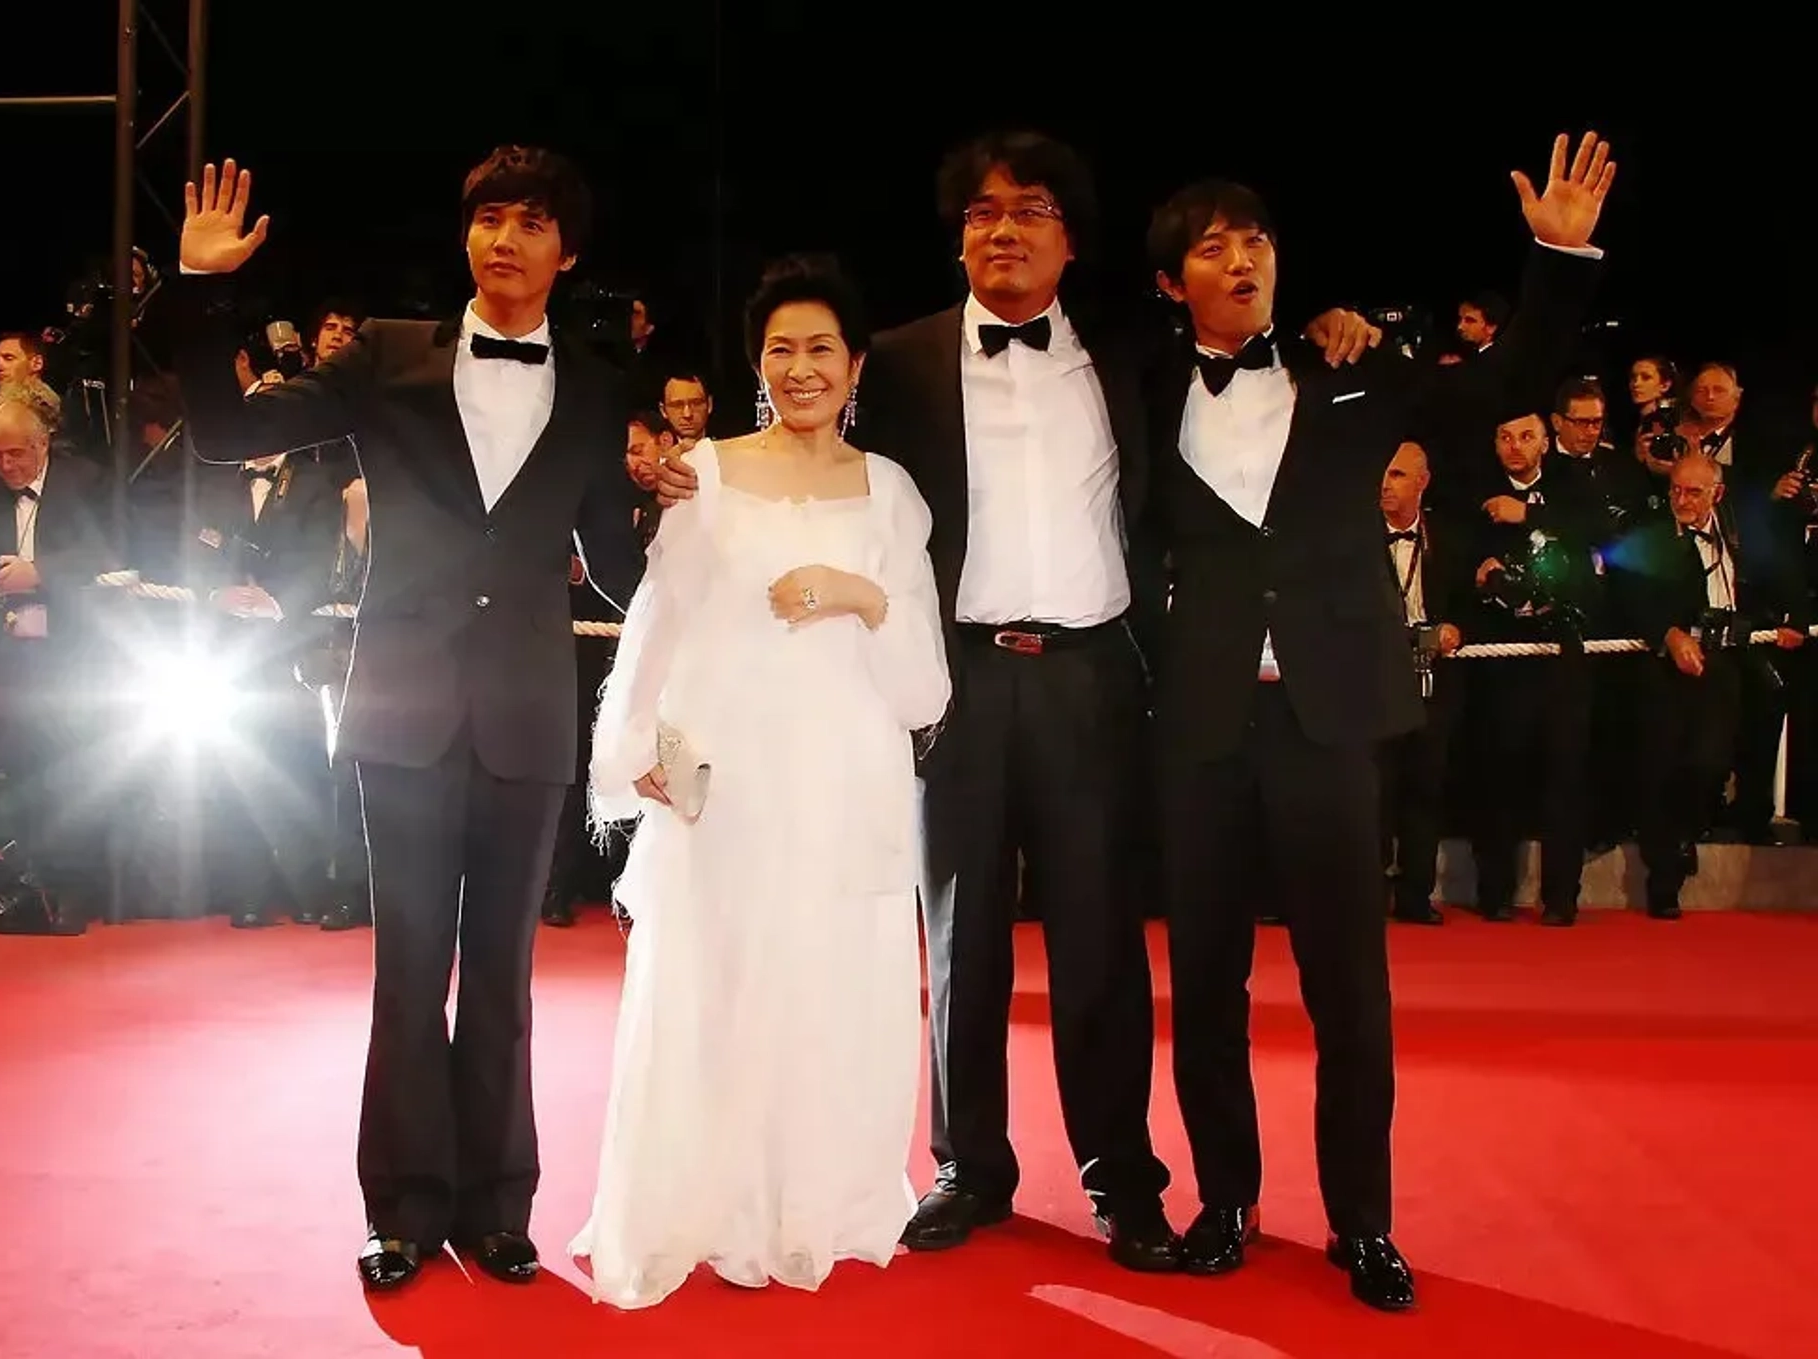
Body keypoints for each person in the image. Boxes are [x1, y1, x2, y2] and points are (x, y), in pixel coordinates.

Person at [654, 129, 1375, 1272]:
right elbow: (811, 453)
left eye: (1030, 210)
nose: (1003, 230)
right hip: (954, 675)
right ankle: (967, 1165)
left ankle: (1119, 1176)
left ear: (1070, 240)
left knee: (1100, 942)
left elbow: (1252, 345)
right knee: (960, 931)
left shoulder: (1137, 357)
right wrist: (707, 484)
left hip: (1097, 676)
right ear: (959, 239)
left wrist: (1338, 325)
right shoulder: (893, 360)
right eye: (982, 213)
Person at [1140, 131, 1612, 1311]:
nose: (1242, 258)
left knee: (1350, 987)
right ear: (1170, 283)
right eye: (1212, 246)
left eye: (1257, 240)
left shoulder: (1355, 372)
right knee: (1205, 987)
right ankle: (1226, 1202)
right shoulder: (1136, 385)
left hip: (1328, 722)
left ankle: (1364, 1224)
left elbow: (1506, 389)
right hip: (1197, 729)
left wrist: (1557, 256)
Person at [169, 151, 645, 1292]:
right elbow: (225, 435)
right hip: (401, 706)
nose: (508, 240)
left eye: (535, 223)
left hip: (529, 717)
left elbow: (624, 570)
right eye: (490, 217)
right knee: (408, 965)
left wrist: (712, 519)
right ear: (466, 237)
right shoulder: (384, 355)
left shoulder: (594, 388)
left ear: (566, 254)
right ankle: (401, 1206)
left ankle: (497, 1205)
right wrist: (198, 288)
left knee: (501, 975)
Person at [570, 254, 949, 1308]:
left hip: (844, 778)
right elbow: (658, 623)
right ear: (756, 366)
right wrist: (638, 745)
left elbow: (923, 687)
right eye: (780, 349)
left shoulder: (891, 492)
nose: (800, 367)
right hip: (728, 778)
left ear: (857, 362)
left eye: (820, 347)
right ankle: (711, 1203)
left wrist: (861, 594)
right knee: (721, 982)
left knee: (830, 988)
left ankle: (816, 1203)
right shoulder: (711, 476)